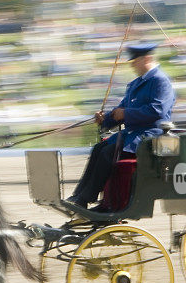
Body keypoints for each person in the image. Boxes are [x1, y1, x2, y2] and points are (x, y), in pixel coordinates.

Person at [66, 43, 176, 207]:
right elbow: (121, 109)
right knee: (98, 149)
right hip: (132, 136)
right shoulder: (135, 84)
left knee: (107, 154)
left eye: (134, 61)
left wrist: (126, 114)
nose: (132, 65)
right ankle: (79, 195)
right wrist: (106, 119)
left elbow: (157, 111)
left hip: (149, 139)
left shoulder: (160, 81)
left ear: (147, 59)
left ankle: (86, 198)